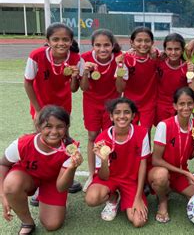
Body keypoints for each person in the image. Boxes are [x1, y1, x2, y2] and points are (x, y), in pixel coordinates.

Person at [0, 105, 83, 234]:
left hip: (54, 181)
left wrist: (72, 167)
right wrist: (3, 195)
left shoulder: (71, 149)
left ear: (67, 128)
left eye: (60, 126)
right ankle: (27, 222)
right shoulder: (22, 144)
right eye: (48, 126)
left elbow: (61, 187)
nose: (54, 131)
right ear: (39, 127)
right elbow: (3, 164)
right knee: (11, 185)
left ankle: (47, 197)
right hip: (28, 177)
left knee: (52, 224)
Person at [23, 22, 82, 200]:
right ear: (48, 40)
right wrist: (38, 111)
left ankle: (66, 177)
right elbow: (28, 83)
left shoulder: (76, 58)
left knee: (64, 141)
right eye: (55, 39)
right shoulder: (36, 56)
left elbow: (74, 89)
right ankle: (40, 185)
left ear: (71, 41)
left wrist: (73, 77)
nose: (60, 43)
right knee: (42, 144)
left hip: (63, 108)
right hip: (41, 107)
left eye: (65, 39)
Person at [85, 98, 149, 228]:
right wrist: (104, 160)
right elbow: (103, 177)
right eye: (117, 112)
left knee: (138, 221)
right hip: (110, 178)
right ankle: (113, 198)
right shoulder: (101, 139)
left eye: (126, 112)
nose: (122, 116)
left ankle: (127, 197)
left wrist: (137, 198)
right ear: (111, 116)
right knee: (91, 199)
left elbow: (143, 165)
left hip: (131, 181)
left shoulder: (142, 133)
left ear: (133, 116)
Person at [148, 87, 194, 223]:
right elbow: (156, 160)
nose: (186, 107)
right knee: (161, 176)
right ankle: (162, 200)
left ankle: (170, 187)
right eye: (181, 104)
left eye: (189, 103)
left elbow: (190, 155)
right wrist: (185, 173)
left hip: (179, 173)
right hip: (159, 170)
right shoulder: (164, 125)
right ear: (175, 105)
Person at [79, 29, 122, 192]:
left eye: (106, 45)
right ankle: (91, 174)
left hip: (112, 104)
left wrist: (120, 65)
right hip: (91, 102)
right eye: (98, 45)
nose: (102, 49)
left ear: (112, 46)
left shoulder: (119, 58)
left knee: (111, 137)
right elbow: (83, 87)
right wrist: (85, 72)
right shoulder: (85, 59)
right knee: (92, 136)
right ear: (92, 46)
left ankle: (111, 172)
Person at [115, 27, 158, 133]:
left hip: (148, 103)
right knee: (129, 132)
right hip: (130, 103)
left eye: (147, 41)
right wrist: (120, 67)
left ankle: (146, 150)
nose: (143, 44)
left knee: (146, 132)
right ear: (132, 42)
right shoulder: (125, 59)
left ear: (152, 42)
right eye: (139, 40)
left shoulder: (157, 58)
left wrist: (155, 51)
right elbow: (120, 89)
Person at [155, 33, 194, 124]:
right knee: (163, 132)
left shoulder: (187, 67)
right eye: (169, 49)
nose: (173, 52)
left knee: (179, 133)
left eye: (177, 49)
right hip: (161, 106)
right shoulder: (159, 62)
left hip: (180, 107)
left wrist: (192, 72)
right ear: (165, 50)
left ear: (182, 50)